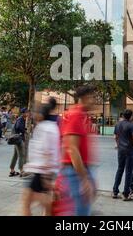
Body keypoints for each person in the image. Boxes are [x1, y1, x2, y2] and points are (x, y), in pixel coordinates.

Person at [56, 85, 97, 215]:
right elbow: (72, 149)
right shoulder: (75, 115)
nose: (95, 101)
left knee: (83, 208)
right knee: (81, 211)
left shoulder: (83, 116)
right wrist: (84, 179)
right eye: (93, 97)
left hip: (80, 169)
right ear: (84, 98)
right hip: (75, 172)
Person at [21, 98, 60, 216]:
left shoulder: (44, 128)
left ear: (42, 115)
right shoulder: (52, 127)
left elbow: (47, 151)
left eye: (36, 113)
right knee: (45, 203)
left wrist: (46, 177)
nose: (33, 115)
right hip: (44, 170)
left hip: (41, 171)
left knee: (27, 202)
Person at [112, 109, 133, 201]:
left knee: (120, 169)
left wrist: (118, 145)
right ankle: (126, 194)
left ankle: (115, 191)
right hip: (130, 151)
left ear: (123, 116)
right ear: (131, 116)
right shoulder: (132, 125)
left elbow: (115, 137)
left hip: (121, 150)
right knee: (128, 172)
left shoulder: (118, 124)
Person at [9, 108, 29, 177]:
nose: (27, 114)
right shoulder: (21, 119)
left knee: (15, 155)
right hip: (19, 140)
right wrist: (24, 131)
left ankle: (12, 170)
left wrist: (24, 129)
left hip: (16, 140)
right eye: (26, 112)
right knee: (21, 155)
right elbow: (18, 127)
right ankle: (21, 170)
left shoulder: (21, 119)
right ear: (23, 113)